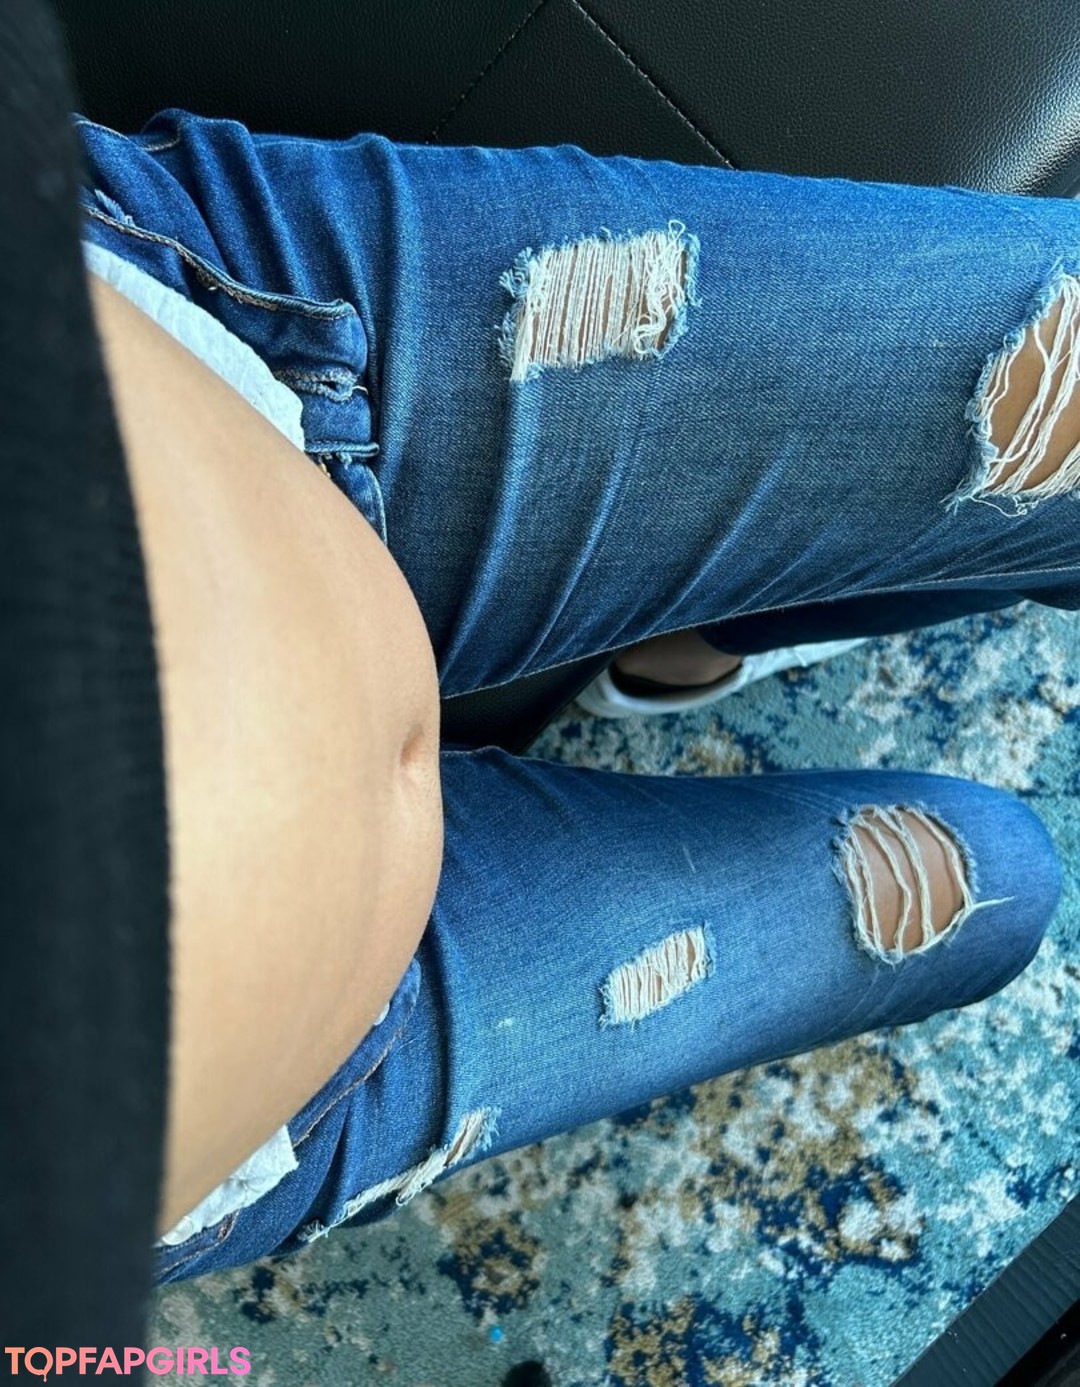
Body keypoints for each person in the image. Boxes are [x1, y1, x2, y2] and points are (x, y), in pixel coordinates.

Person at [11, 0, 1078, 1308]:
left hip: (223, 338)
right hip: (288, 1107)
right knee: (993, 887)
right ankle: (705, 627)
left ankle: (711, 622)